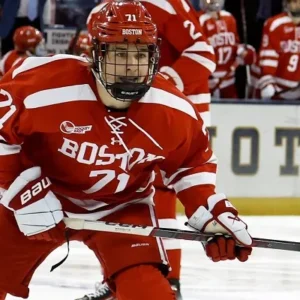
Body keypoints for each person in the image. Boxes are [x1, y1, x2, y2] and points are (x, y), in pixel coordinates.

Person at [0, 1, 252, 300]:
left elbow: (191, 165)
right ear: (95, 55)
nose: (132, 66)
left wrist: (212, 216)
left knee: (149, 294)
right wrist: (20, 191)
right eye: (120, 53)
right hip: (42, 198)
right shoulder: (44, 84)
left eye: (141, 54)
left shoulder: (173, 109)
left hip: (121, 208)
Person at [80, 1, 217, 298]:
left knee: (161, 198)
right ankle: (121, 274)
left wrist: (160, 85)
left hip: (173, 116)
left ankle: (171, 282)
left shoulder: (167, 5)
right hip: (124, 116)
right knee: (119, 200)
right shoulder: (99, 12)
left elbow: (203, 54)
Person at [197, 0, 256, 98]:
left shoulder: (229, 18)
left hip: (229, 81)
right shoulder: (199, 19)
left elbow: (235, 44)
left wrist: (242, 52)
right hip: (209, 83)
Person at [258, 0, 300, 99]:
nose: (297, 4)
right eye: (294, 1)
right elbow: (268, 56)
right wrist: (267, 82)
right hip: (278, 89)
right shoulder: (275, 24)